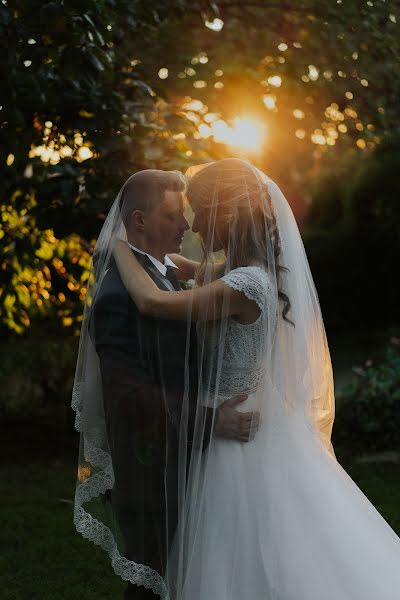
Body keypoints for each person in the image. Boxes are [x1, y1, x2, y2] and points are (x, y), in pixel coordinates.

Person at [113, 158, 400, 600]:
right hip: (242, 415)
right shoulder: (240, 275)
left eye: (199, 212)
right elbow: (181, 267)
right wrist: (151, 247)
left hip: (234, 432)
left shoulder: (242, 286)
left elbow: (152, 302)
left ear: (224, 215)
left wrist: (118, 248)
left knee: (236, 551)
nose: (192, 224)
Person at [71, 168, 259, 600]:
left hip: (183, 457)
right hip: (151, 467)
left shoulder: (166, 272)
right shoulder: (120, 295)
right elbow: (127, 394)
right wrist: (210, 420)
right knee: (152, 582)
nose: (188, 226)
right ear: (140, 221)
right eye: (173, 216)